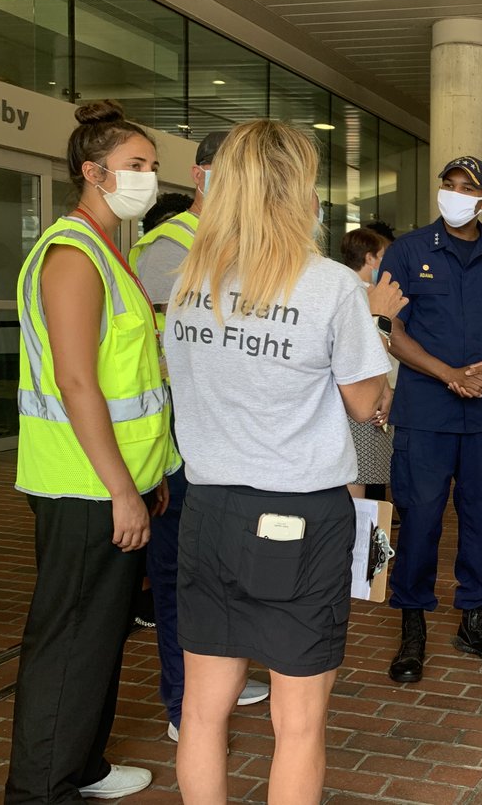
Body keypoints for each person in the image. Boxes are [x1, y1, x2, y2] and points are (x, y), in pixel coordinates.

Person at [163, 119, 403, 803]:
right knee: (298, 724)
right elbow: (367, 404)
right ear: (298, 191)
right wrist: (379, 331)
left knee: (202, 712)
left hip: (208, 509)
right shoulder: (329, 287)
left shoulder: (190, 284)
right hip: (300, 514)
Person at [6, 100, 180, 802]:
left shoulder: (111, 252)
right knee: (69, 640)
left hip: (117, 478)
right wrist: (121, 490)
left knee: (100, 638)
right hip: (83, 486)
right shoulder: (73, 255)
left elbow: (131, 380)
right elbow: (76, 382)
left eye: (152, 166)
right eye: (134, 165)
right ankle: (40, 790)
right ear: (92, 171)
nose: (147, 177)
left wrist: (149, 473)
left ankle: (82, 766)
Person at [127, 130, 269, 743]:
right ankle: (184, 701)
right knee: (181, 570)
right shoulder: (168, 247)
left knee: (229, 563)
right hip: (181, 433)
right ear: (202, 173)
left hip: (229, 429)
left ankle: (224, 672)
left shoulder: (239, 241)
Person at [378, 155, 482, 683]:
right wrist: (449, 374)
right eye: (448, 184)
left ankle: (474, 620)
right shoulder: (408, 252)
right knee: (420, 518)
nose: (454, 193)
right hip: (426, 411)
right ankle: (412, 628)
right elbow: (392, 331)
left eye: (466, 188)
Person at [339, 227, 397, 501]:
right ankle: (363, 528)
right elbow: (368, 349)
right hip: (367, 393)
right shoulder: (366, 295)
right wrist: (385, 389)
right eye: (383, 256)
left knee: (361, 474)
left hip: (352, 395)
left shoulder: (340, 286)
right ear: (370, 258)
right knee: (362, 476)